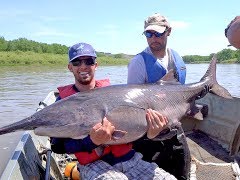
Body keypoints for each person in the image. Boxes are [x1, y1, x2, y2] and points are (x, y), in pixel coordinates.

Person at [51, 42, 177, 179]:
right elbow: (58, 147)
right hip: (93, 165)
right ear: (70, 67)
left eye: (88, 61)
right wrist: (91, 141)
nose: (83, 66)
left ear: (96, 65)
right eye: (76, 62)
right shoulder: (63, 103)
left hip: (129, 160)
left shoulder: (118, 95)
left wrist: (151, 134)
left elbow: (135, 133)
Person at [127, 13, 190, 180]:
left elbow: (181, 95)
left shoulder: (177, 58)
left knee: (183, 174)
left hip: (175, 130)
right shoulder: (138, 63)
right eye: (149, 34)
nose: (153, 38)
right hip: (149, 137)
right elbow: (131, 108)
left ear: (168, 31)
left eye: (158, 33)